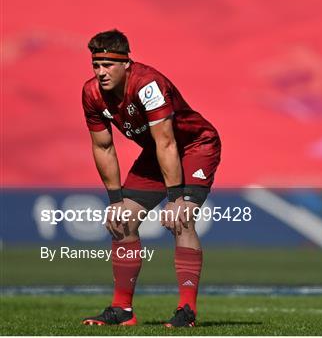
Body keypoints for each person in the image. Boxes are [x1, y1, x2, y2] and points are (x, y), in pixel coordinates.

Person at [80, 29, 221, 328]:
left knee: (182, 217)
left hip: (195, 145)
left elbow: (168, 142)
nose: (101, 72)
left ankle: (187, 311)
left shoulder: (148, 85)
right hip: (159, 152)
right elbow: (103, 147)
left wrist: (175, 198)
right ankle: (122, 311)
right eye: (96, 65)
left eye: (108, 65)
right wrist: (116, 200)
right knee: (122, 220)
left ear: (126, 63)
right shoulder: (91, 93)